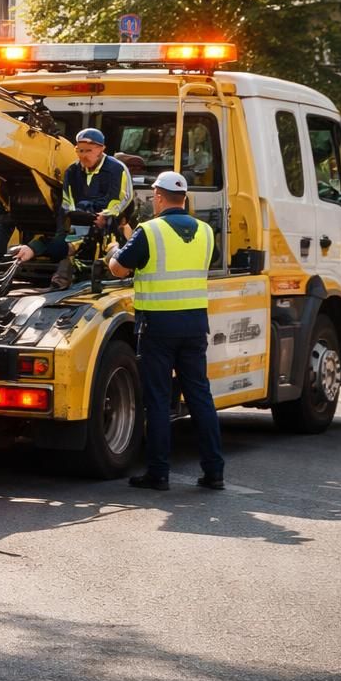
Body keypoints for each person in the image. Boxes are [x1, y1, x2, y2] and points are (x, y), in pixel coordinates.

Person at [108, 171, 224, 491]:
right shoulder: (205, 231)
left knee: (158, 401)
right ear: (184, 198)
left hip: (158, 327)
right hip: (194, 326)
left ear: (158, 196)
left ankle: (159, 473)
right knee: (200, 397)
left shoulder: (149, 231)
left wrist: (112, 254)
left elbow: (120, 268)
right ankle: (214, 471)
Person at [13, 129, 135, 287]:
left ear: (101, 148)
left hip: (109, 223)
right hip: (82, 221)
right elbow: (67, 201)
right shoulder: (72, 171)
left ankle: (111, 264)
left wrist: (105, 216)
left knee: (107, 244)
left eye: (88, 151)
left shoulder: (116, 169)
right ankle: (61, 273)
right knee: (67, 245)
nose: (83, 155)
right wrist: (78, 216)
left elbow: (122, 198)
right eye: (80, 150)